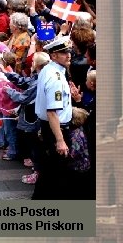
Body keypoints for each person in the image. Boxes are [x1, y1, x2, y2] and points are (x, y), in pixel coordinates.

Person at [32, 35, 78, 200]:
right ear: (53, 56)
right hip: (56, 128)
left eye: (69, 51)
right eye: (63, 52)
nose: (68, 55)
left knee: (49, 171)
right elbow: (52, 112)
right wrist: (60, 140)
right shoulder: (56, 78)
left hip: (49, 126)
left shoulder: (50, 69)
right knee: (56, 172)